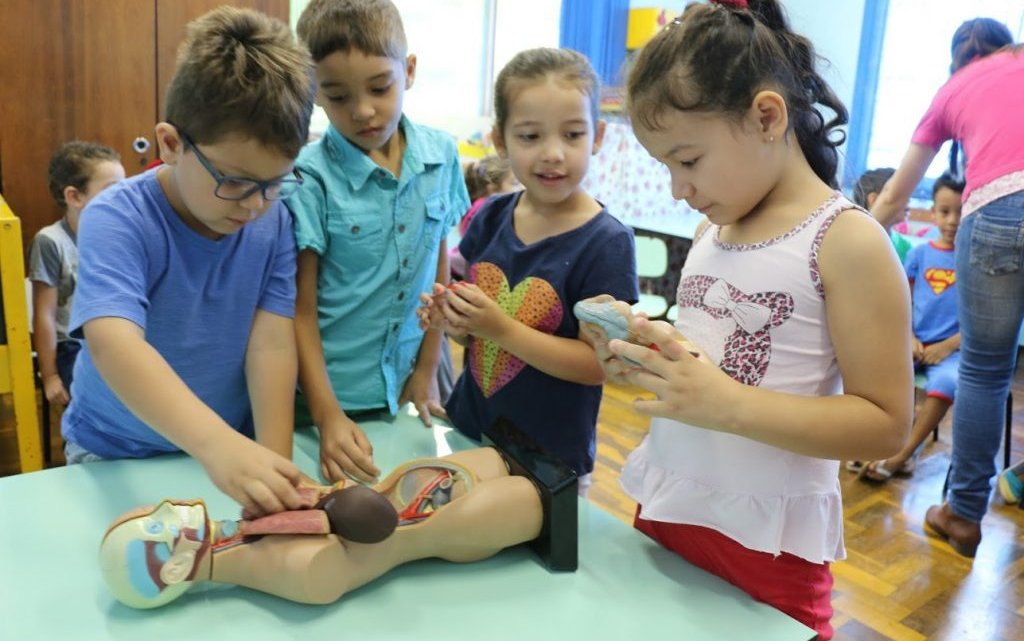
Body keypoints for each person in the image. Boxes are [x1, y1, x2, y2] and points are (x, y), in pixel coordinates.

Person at [577, 2, 912, 638]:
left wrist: (725, 403)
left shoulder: (846, 242)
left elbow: (885, 423)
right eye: (667, 167)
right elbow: (718, 360)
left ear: (766, 116)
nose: (678, 188)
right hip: (671, 508)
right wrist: (652, 351)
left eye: (689, 160)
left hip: (768, 547)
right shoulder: (714, 229)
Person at [61, 7, 317, 517]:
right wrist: (217, 445)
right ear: (171, 144)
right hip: (114, 449)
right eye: (237, 181)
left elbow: (269, 344)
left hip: (227, 446)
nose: (254, 205)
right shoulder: (116, 216)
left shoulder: (274, 220)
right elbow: (114, 343)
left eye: (274, 183)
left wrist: (275, 466)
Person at [417, 48, 639, 496]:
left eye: (572, 135)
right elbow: (474, 337)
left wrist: (498, 327)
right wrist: (453, 321)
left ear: (596, 136)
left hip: (549, 456)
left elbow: (596, 365)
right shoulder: (490, 217)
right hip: (471, 428)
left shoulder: (607, 242)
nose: (553, 154)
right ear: (501, 140)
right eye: (531, 136)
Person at [288, 0, 470, 486]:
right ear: (315, 93)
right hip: (328, 401)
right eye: (338, 96)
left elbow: (439, 268)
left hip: (411, 387)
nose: (363, 111)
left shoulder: (441, 155)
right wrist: (327, 416)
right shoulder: (309, 178)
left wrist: (427, 368)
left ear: (407, 71)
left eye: (379, 88)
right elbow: (299, 311)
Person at [869, 17, 1022, 558]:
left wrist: (847, 238)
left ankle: (961, 515)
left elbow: (891, 198)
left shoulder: (954, 89)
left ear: (957, 60)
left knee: (984, 369)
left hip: (998, 211)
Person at [99, 447, 543, 608]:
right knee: (527, 499)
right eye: (159, 525)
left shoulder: (239, 534)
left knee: (472, 463)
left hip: (400, 502)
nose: (171, 508)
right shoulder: (278, 567)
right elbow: (364, 538)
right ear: (173, 570)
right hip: (430, 528)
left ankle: (503, 473)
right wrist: (339, 510)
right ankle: (536, 505)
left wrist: (322, 495)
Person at [860, 172, 964, 482]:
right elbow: (900, 302)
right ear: (932, 211)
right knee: (876, 372)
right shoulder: (920, 254)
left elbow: (981, 321)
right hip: (912, 344)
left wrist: (947, 346)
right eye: (945, 212)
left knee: (945, 384)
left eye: (961, 212)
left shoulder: (974, 260)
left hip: (953, 352)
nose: (953, 220)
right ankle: (874, 445)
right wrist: (909, 337)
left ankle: (903, 454)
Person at [28, 141, 125, 407]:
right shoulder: (50, 241)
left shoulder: (118, 234)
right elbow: (44, 315)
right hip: (72, 346)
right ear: (74, 196)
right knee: (109, 402)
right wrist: (48, 376)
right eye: (112, 190)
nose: (124, 198)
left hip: (111, 338)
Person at [449, 154, 518, 279]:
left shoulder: (483, 206)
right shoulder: (485, 211)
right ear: (492, 188)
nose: (522, 188)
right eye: (515, 183)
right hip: (467, 270)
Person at [851, 167, 913, 262]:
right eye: (902, 198)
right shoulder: (853, 240)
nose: (908, 206)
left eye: (909, 197)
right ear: (874, 200)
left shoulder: (906, 247)